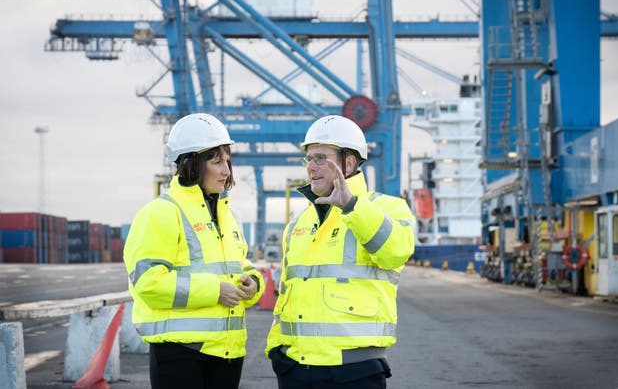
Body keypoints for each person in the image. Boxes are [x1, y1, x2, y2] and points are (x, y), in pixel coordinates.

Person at [265, 115, 416, 389]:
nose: (311, 166)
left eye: (321, 158)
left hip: (354, 370)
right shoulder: (299, 223)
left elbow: (395, 253)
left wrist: (351, 206)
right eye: (308, 158)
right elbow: (286, 292)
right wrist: (277, 349)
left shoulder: (388, 209)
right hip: (295, 369)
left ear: (348, 163)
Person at [123, 113, 265, 389]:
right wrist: (215, 291)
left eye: (227, 160)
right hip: (181, 354)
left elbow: (240, 266)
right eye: (217, 161)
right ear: (190, 164)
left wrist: (253, 284)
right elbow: (147, 282)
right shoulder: (161, 213)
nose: (227, 170)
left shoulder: (228, 216)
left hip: (227, 353)